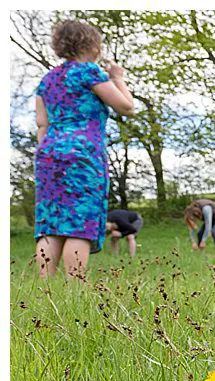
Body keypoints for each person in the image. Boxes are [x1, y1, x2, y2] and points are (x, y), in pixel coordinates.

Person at [34, 20, 135, 279]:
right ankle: (73, 291)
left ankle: (45, 292)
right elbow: (126, 107)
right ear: (90, 44)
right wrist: (118, 78)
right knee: (79, 224)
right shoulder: (89, 72)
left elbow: (41, 124)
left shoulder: (47, 80)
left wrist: (48, 154)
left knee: (52, 224)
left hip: (48, 153)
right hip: (82, 155)